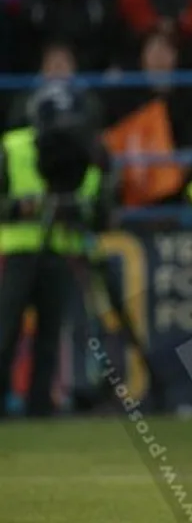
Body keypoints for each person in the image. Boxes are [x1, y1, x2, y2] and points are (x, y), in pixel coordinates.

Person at [0, 82, 114, 418]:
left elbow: (102, 212)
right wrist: (21, 208)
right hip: (16, 253)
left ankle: (41, 406)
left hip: (63, 251)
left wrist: (78, 211)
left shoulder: (88, 151)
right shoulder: (12, 147)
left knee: (52, 334)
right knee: (6, 331)